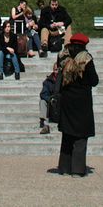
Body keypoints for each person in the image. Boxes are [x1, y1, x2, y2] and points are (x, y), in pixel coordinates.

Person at [55, 33, 98, 176]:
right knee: (81, 136)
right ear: (84, 45)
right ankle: (77, 169)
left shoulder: (62, 57)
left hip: (66, 100)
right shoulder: (86, 59)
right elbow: (94, 80)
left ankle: (64, 167)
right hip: (82, 101)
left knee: (67, 134)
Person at [38, 63, 58, 134]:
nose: (57, 72)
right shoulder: (47, 81)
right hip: (51, 107)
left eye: (59, 70)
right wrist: (50, 99)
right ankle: (45, 125)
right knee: (42, 101)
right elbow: (43, 94)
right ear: (53, 70)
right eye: (56, 70)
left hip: (62, 106)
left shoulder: (65, 80)